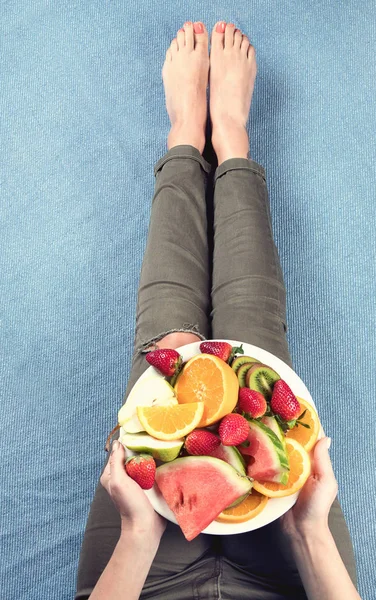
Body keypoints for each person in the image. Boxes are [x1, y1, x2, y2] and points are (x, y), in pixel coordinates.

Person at [75, 21, 361, 600]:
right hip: (292, 580)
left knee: (171, 347)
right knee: (256, 336)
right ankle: (231, 140)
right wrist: (308, 532)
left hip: (146, 574)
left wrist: (137, 534)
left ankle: (184, 135)